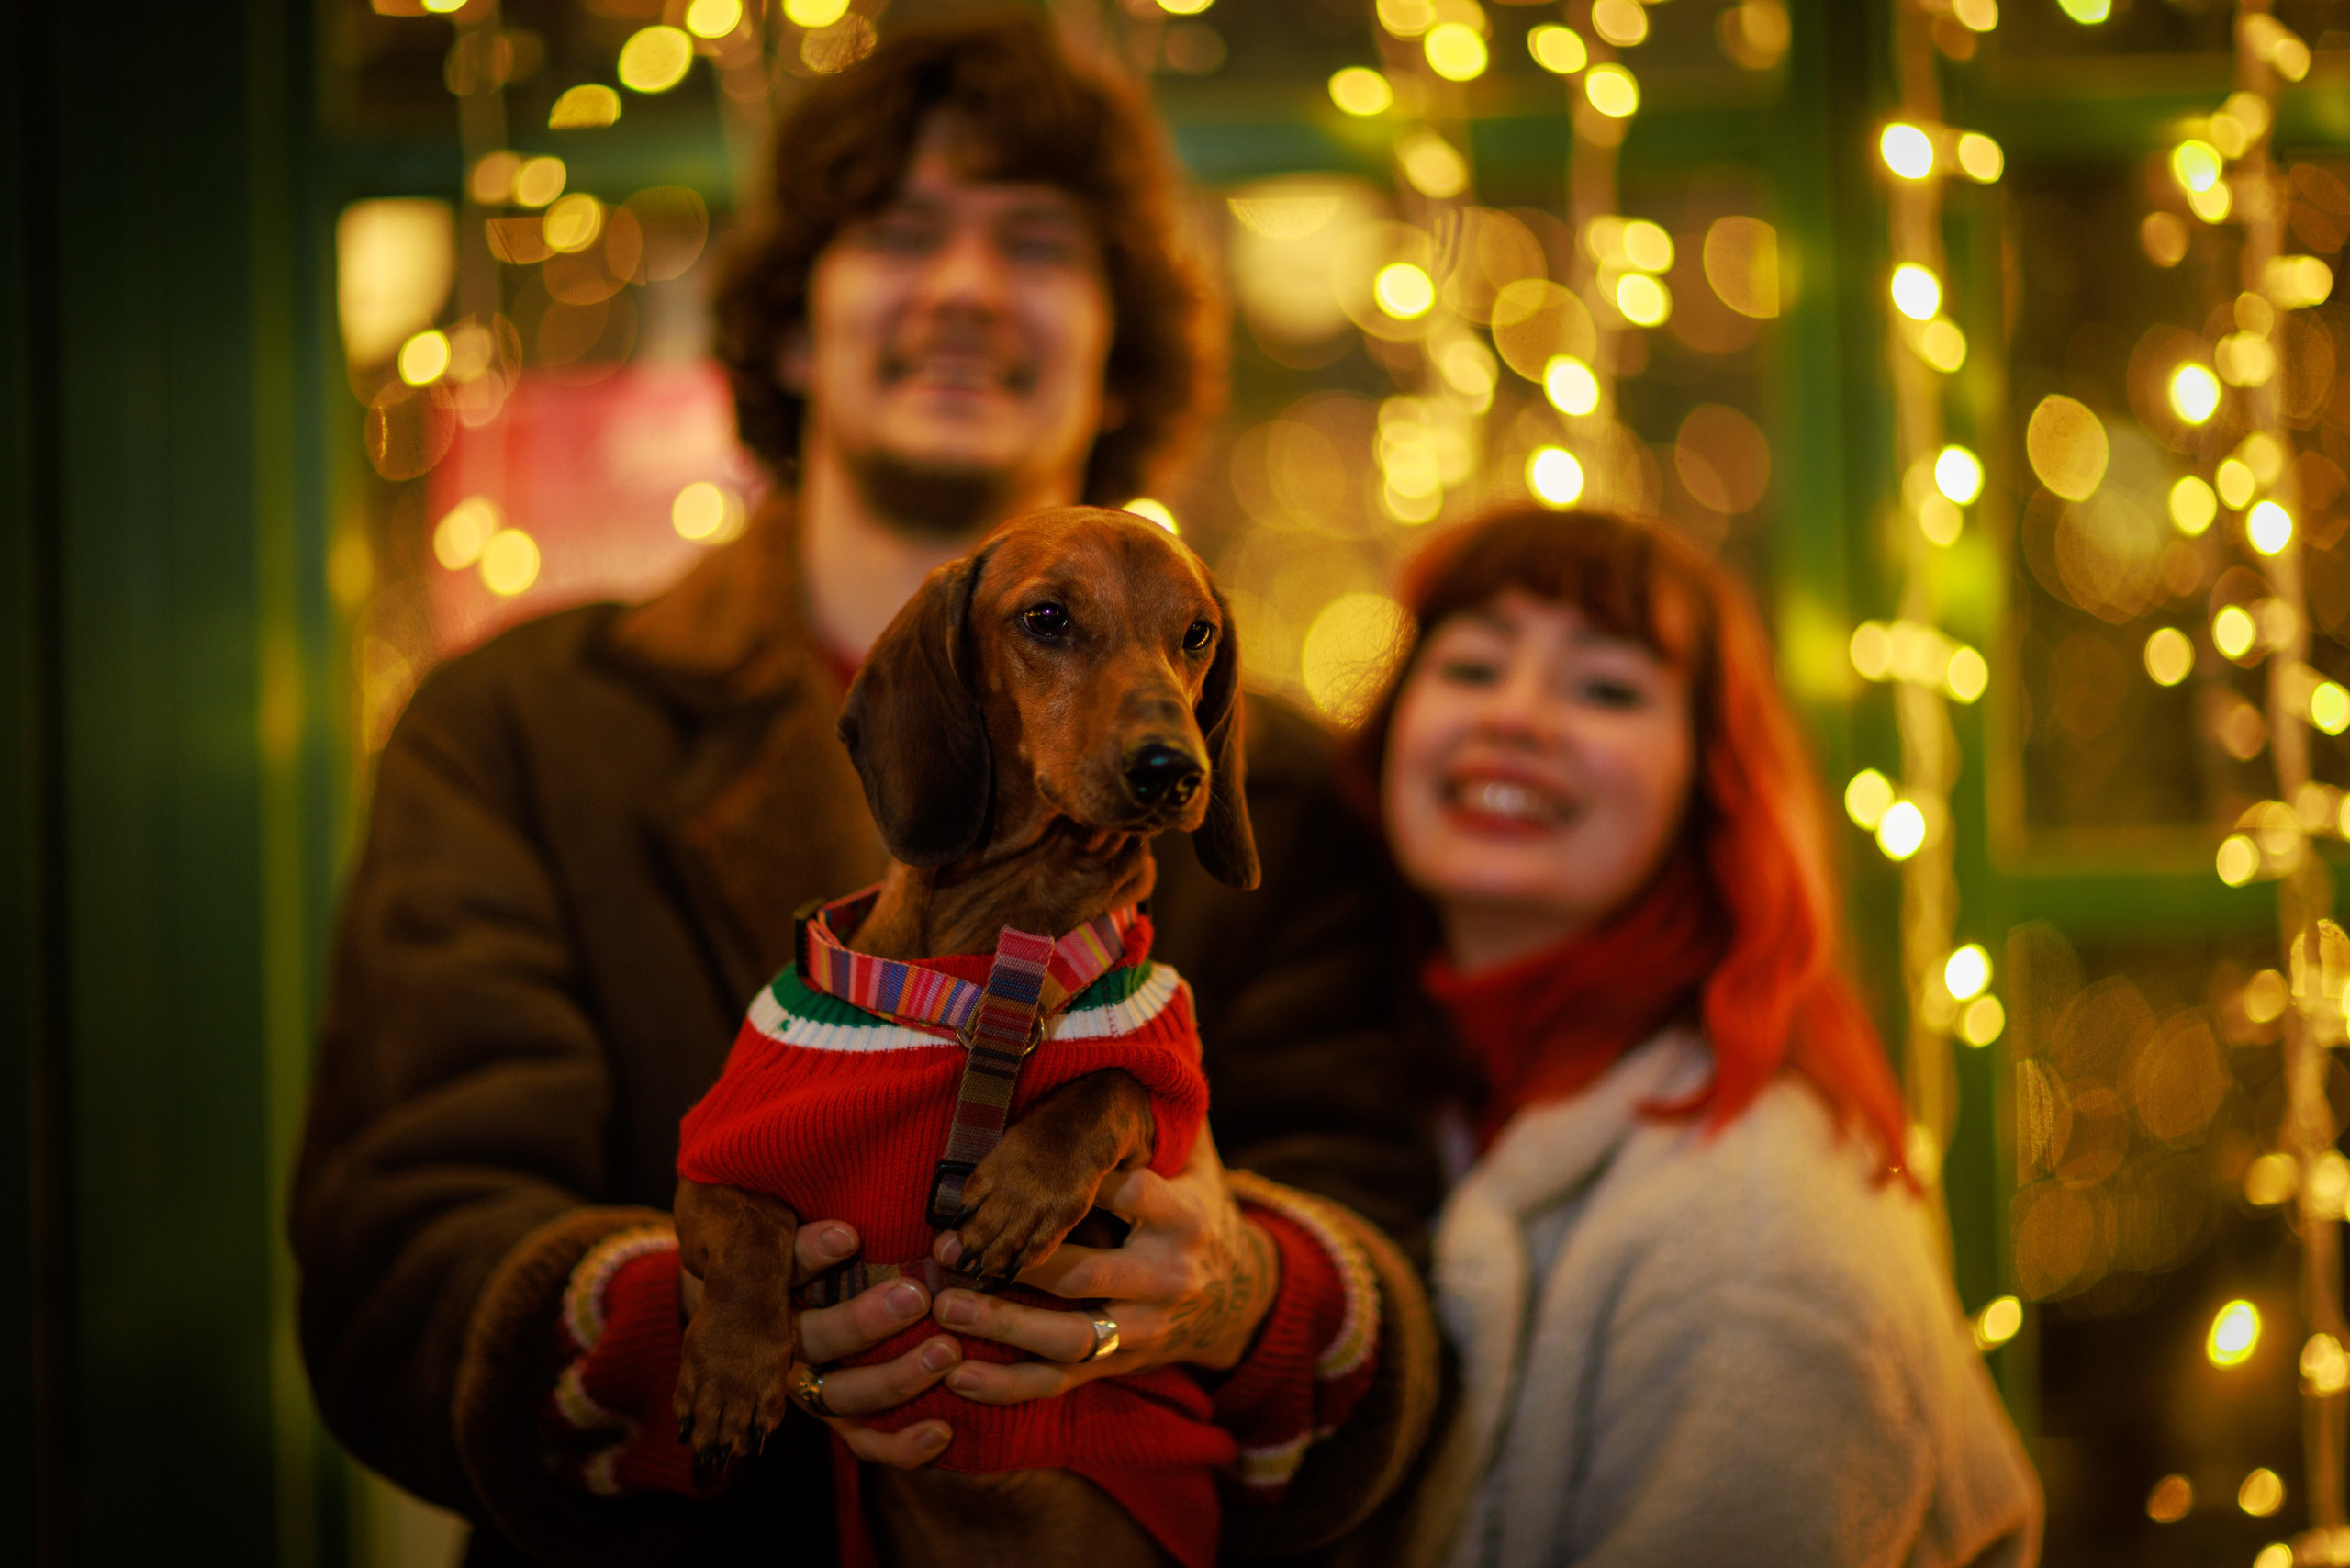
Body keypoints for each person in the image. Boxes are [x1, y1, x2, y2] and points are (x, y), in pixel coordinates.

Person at [294, 18, 1441, 1566]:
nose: (966, 285)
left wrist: (1237, 1291)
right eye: (899, 231)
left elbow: (1390, 1250)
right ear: (786, 324)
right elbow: (394, 1244)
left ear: (1117, 345)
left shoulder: (1274, 785)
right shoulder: (514, 730)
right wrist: (714, 1320)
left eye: (1038, 244)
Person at [1346, 507, 2042, 1567]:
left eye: (1607, 688)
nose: (1517, 717)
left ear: (1706, 784)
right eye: (1474, 666)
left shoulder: (1758, 1238)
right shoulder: (1400, 1093)